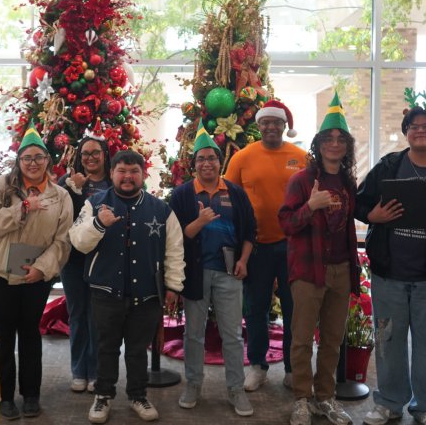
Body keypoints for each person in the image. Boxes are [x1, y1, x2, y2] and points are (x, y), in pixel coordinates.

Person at [355, 106, 426, 425]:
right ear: (405, 132)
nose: (420, 131)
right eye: (413, 126)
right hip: (390, 274)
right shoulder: (389, 165)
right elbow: (359, 201)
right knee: (388, 341)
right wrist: (371, 216)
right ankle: (389, 402)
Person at [70, 150, 186, 424]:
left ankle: (137, 395)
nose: (127, 176)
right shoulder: (93, 204)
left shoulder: (161, 209)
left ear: (143, 175)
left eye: (134, 171)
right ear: (112, 174)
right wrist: (99, 224)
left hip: (146, 294)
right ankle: (103, 396)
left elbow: (174, 249)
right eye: (121, 170)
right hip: (105, 291)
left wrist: (173, 285)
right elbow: (77, 241)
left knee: (137, 350)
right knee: (106, 347)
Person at [0, 128, 73, 421]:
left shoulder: (60, 196)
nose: (33, 163)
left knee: (30, 333)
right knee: (3, 334)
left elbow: (63, 239)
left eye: (39, 157)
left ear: (47, 160)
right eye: (27, 158)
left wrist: (42, 268)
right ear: (18, 161)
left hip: (35, 275)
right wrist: (24, 207)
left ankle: (31, 395)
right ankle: (5, 397)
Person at [278, 93, 360, 425]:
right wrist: (310, 207)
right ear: (319, 143)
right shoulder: (302, 180)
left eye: (340, 139)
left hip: (341, 269)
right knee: (300, 338)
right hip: (309, 270)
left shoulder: (348, 181)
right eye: (329, 138)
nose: (335, 144)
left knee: (332, 339)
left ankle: (325, 397)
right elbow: (286, 223)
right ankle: (301, 398)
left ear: (347, 146)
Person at [169, 120, 256, 417]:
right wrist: (199, 222)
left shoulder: (235, 193)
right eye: (201, 158)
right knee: (193, 333)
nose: (207, 163)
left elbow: (250, 232)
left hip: (230, 272)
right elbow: (175, 237)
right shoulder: (181, 196)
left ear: (220, 161)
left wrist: (244, 259)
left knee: (232, 334)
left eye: (212, 157)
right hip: (195, 274)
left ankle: (236, 389)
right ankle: (193, 384)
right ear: (193, 164)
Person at [224, 99, 306, 390]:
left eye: (277, 123)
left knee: (294, 309)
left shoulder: (301, 156)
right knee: (255, 308)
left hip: (293, 246)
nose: (271, 127)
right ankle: (257, 365)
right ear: (258, 126)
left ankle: (292, 369)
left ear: (285, 126)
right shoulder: (242, 158)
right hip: (255, 247)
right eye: (266, 123)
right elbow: (226, 198)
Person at [59, 133, 111, 393]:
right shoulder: (66, 183)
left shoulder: (114, 182)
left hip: (104, 260)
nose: (90, 158)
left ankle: (96, 371)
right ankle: (79, 370)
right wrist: (73, 189)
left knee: (98, 317)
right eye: (85, 154)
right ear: (79, 158)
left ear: (104, 156)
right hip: (73, 260)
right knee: (78, 314)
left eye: (95, 153)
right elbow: (63, 216)